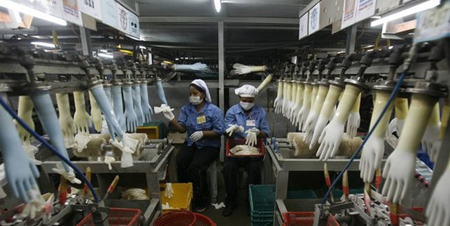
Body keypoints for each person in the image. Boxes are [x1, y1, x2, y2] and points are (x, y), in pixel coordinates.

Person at [163, 79, 224, 212]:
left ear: (203, 94)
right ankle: (187, 192)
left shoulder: (214, 110)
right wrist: (172, 119)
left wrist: (204, 133)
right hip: (192, 142)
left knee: (196, 167)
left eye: (195, 93)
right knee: (180, 161)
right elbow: (182, 129)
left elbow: (220, 131)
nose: (192, 96)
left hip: (210, 145)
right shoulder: (186, 109)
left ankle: (202, 197)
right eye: (190, 94)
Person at [222, 84, 270, 217]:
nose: (247, 103)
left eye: (250, 101)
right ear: (239, 98)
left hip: (254, 150)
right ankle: (231, 200)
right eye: (244, 100)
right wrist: (232, 130)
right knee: (228, 168)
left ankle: (251, 201)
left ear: (254, 100)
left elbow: (266, 133)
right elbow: (226, 132)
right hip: (235, 150)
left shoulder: (260, 112)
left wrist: (257, 132)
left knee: (254, 169)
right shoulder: (232, 111)